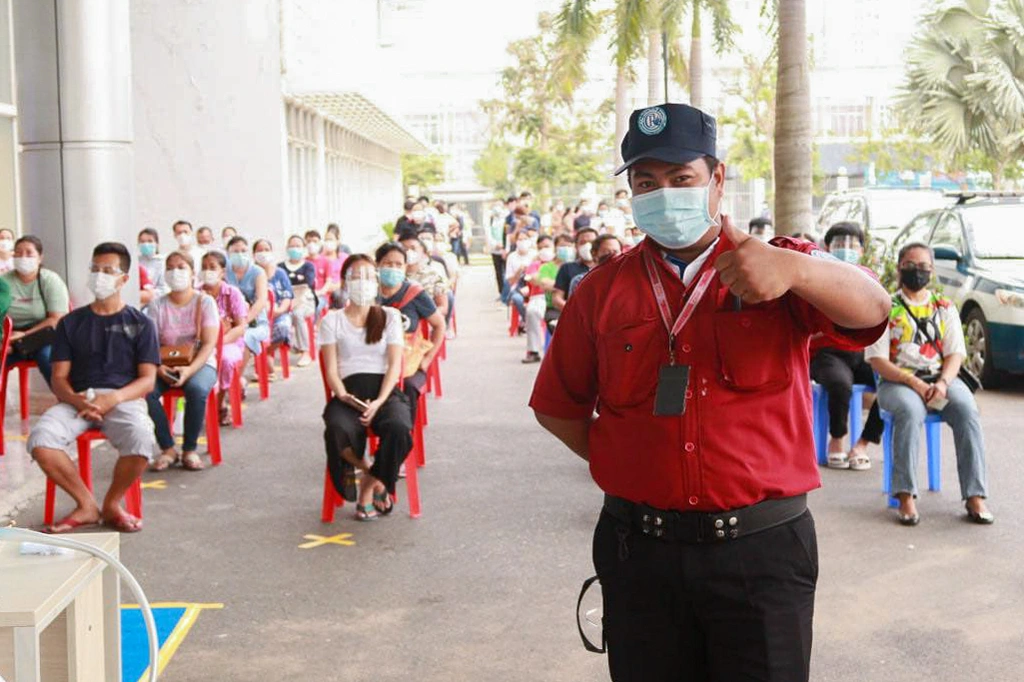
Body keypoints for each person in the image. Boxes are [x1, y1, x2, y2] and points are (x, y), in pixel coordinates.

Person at [530, 103, 891, 681]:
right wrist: (633, 461)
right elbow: (558, 407)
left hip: (763, 551)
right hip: (639, 551)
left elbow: (874, 309)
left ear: (717, 180)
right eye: (646, 183)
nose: (663, 194)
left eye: (681, 179)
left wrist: (797, 273)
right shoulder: (601, 290)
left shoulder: (778, 266)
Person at [28, 242, 160, 534]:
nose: (99, 276)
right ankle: (86, 504)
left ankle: (113, 504)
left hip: (123, 398)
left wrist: (111, 399)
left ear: (124, 279)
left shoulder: (141, 324)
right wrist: (79, 403)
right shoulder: (70, 323)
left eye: (107, 270)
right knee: (41, 439)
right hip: (76, 401)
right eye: (95, 269)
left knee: (141, 438)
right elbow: (59, 378)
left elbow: (147, 380)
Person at [866, 242, 994, 526]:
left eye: (924, 266)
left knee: (967, 410)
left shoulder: (944, 307)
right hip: (898, 382)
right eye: (911, 265)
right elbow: (877, 360)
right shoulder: (887, 307)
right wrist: (915, 383)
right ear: (900, 268)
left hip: (940, 379)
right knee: (910, 412)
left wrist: (944, 383)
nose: (918, 271)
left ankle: (975, 495)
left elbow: (955, 354)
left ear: (932, 271)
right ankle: (905, 495)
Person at [320, 254, 413, 520]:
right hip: (348, 393)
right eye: (356, 276)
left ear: (377, 281)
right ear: (345, 282)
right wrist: (342, 395)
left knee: (399, 427)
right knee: (337, 429)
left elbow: (395, 365)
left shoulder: (390, 316)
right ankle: (372, 470)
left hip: (384, 391)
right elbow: (331, 369)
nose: (363, 282)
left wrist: (380, 401)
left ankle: (368, 487)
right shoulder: (332, 320)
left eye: (369, 276)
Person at [810, 222, 884, 470]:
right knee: (840, 384)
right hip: (827, 353)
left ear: (862, 251)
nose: (846, 248)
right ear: (828, 247)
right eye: (840, 243)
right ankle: (837, 440)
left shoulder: (869, 279)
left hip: (861, 353)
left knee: (889, 384)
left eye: (853, 244)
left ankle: (863, 443)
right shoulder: (818, 277)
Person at [145, 251, 219, 472]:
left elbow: (208, 345)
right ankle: (168, 448)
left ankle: (189, 449)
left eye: (181, 267)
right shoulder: (157, 305)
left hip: (200, 363)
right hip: (164, 362)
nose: (175, 272)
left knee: (196, 389)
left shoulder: (204, 303)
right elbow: (150, 344)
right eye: (170, 267)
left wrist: (188, 371)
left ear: (192, 273)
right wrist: (158, 368)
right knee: (145, 391)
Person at [375, 243, 445, 424]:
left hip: (409, 362)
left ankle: (404, 432)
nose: (393, 269)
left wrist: (427, 359)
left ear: (406, 267)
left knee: (407, 386)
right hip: (375, 359)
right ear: (377, 265)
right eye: (388, 264)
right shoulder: (370, 294)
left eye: (399, 265)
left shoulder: (415, 293)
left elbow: (439, 325)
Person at [2, 236, 71, 385]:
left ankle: (67, 399)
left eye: (29, 253)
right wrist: (4, 341)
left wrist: (23, 336)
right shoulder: (4, 282)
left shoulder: (50, 280)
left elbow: (56, 319)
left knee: (47, 356)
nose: (23, 257)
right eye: (18, 253)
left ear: (40, 258)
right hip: (8, 338)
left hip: (41, 336)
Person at [199, 251, 248, 425]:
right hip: (202, 343)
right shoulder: (197, 294)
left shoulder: (232, 293)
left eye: (212, 267)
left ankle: (219, 404)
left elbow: (240, 326)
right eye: (204, 267)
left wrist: (219, 342)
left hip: (229, 342)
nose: (207, 271)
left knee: (225, 360)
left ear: (223, 272)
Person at [224, 236, 269, 388]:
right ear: (228, 253)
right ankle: (224, 380)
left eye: (243, 250)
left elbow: (261, 300)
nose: (240, 254)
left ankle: (236, 381)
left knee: (246, 337)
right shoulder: (224, 271)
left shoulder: (258, 272)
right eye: (235, 251)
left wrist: (245, 321)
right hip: (229, 321)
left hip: (254, 322)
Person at [253, 238, 294, 380]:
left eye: (266, 250)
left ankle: (266, 354)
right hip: (259, 315)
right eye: (259, 250)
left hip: (278, 313)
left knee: (283, 327)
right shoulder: (252, 273)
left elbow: (288, 296)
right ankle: (264, 360)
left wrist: (279, 310)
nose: (263, 253)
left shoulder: (280, 273)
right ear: (254, 254)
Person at [280, 235, 317, 367]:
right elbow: (280, 286)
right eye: (292, 246)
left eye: (298, 246)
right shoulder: (281, 267)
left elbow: (308, 283)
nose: (294, 249)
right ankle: (291, 343)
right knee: (282, 317)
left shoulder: (308, 266)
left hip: (305, 300)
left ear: (303, 248)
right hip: (286, 301)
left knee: (297, 314)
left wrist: (293, 291)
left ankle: (305, 351)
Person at [399, 233, 450, 320]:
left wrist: (422, 318)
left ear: (423, 251)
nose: (408, 252)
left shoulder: (433, 275)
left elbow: (443, 307)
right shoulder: (393, 276)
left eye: (413, 248)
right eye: (404, 249)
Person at [522, 235, 556, 363]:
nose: (544, 250)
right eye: (540, 247)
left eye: (547, 246)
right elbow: (533, 279)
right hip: (539, 297)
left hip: (557, 296)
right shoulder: (534, 264)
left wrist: (544, 281)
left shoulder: (560, 263)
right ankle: (533, 350)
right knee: (532, 312)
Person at [552, 227, 597, 310]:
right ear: (576, 246)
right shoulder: (567, 268)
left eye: (592, 242)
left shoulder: (605, 268)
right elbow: (557, 298)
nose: (587, 246)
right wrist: (573, 311)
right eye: (583, 242)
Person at [504, 226, 537, 328]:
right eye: (520, 239)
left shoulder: (535, 255)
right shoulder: (512, 257)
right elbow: (510, 282)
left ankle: (525, 321)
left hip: (533, 288)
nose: (522, 242)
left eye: (525, 239)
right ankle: (527, 320)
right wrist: (519, 271)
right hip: (517, 289)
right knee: (517, 299)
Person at [137, 228, 167, 305]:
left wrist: (146, 295)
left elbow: (164, 289)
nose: (146, 244)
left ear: (157, 244)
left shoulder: (163, 262)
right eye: (142, 241)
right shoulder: (136, 262)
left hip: (156, 304)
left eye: (150, 241)